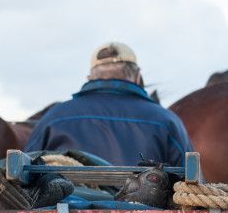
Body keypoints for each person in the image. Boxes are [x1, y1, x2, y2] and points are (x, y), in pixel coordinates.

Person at [24, 42, 193, 167]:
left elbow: (23, 174)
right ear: (137, 77)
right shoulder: (166, 121)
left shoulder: (54, 118)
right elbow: (193, 185)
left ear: (89, 78)